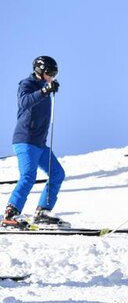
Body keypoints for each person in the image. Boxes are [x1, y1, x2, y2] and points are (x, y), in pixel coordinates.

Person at [2, 56, 67, 228]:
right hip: (25, 140)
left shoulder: (45, 87)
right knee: (28, 177)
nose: (52, 76)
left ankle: (42, 212)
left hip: (40, 144)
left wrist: (47, 90)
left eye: (55, 73)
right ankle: (10, 213)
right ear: (39, 70)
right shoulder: (27, 84)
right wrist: (44, 91)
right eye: (49, 73)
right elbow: (24, 102)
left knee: (58, 174)